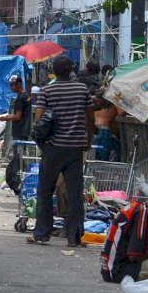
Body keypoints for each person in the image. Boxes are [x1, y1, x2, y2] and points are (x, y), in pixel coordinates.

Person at [27, 55, 94, 247]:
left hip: (53, 148)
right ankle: (74, 237)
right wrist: (87, 139)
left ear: (54, 72)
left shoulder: (47, 90)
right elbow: (90, 117)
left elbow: (39, 120)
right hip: (75, 148)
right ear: (71, 69)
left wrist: (42, 143)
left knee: (45, 191)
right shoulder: (82, 89)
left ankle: (41, 234)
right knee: (74, 193)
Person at [0, 74, 30, 188]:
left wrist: (5, 118)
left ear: (19, 84)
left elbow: (17, 116)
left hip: (19, 133)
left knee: (18, 158)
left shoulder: (21, 98)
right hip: (23, 132)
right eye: (10, 85)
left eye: (13, 85)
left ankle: (17, 181)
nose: (11, 87)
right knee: (20, 158)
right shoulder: (26, 96)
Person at [92, 88, 120, 161]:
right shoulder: (111, 103)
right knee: (102, 158)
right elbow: (121, 113)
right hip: (104, 131)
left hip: (94, 130)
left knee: (94, 156)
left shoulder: (93, 102)